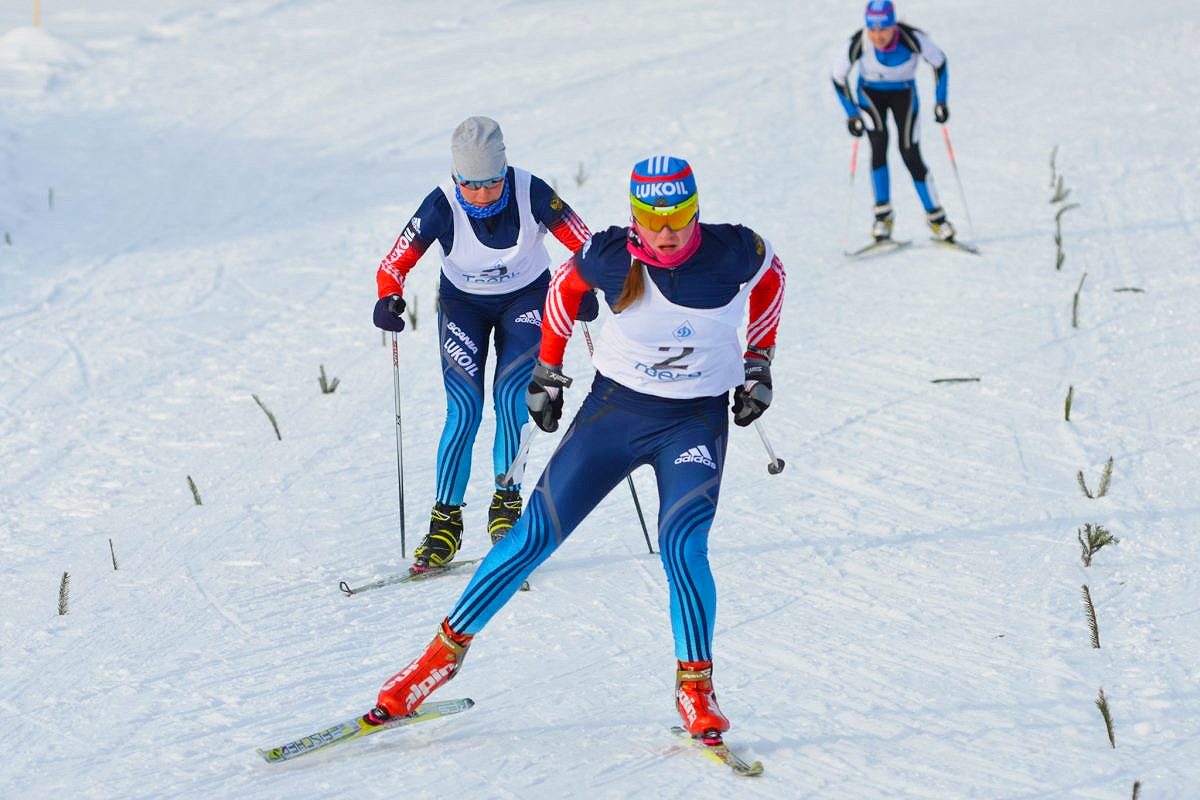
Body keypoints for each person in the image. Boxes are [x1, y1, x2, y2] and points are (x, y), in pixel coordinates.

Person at [363, 155, 786, 741]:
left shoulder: (733, 250)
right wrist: (547, 373)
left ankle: (696, 689)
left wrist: (759, 361)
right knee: (532, 535)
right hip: (615, 415)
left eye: (679, 218)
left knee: (682, 544)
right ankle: (434, 663)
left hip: (693, 423)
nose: (665, 233)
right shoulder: (612, 254)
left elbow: (773, 277)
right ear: (635, 213)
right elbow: (563, 292)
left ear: (697, 209)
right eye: (651, 219)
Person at [373, 116, 594, 571]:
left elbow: (585, 243)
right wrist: (389, 297)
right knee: (464, 408)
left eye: (491, 184)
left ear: (504, 171)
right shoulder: (439, 203)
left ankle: (506, 506)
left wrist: (587, 284)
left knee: (513, 397)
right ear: (456, 177)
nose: (480, 196)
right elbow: (393, 264)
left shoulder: (531, 191)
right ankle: (444, 523)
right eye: (469, 185)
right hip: (464, 307)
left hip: (527, 298)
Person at [832, 0, 957, 243]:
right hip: (870, 95)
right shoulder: (860, 42)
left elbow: (940, 63)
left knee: (910, 153)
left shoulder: (913, 38)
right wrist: (852, 114)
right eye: (873, 29)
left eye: (883, 29)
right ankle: (883, 218)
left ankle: (937, 219)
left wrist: (941, 101)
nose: (878, 35)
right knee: (878, 148)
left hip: (904, 95)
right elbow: (838, 77)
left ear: (893, 26)